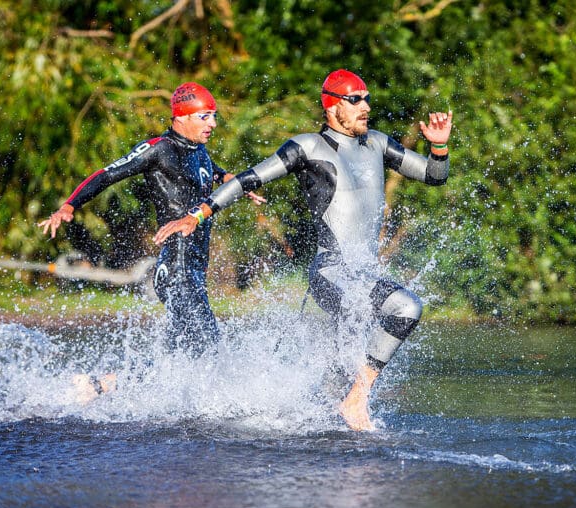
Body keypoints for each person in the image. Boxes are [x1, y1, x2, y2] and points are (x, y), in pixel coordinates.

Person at [153, 70, 452, 431]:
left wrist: (439, 146)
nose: (366, 107)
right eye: (355, 100)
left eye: (366, 98)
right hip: (333, 272)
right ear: (332, 105)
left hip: (361, 275)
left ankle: (281, 413)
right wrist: (199, 213)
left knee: (331, 384)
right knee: (406, 307)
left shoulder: (378, 143)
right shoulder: (308, 147)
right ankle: (358, 400)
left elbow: (434, 176)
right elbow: (250, 178)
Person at [39, 82, 265, 361]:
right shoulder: (158, 149)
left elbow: (214, 173)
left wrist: (236, 183)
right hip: (176, 269)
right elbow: (108, 174)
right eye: (205, 117)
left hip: (193, 269)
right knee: (208, 349)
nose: (213, 124)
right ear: (182, 117)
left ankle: (104, 386)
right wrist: (70, 205)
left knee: (177, 358)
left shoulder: (199, 150)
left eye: (214, 116)